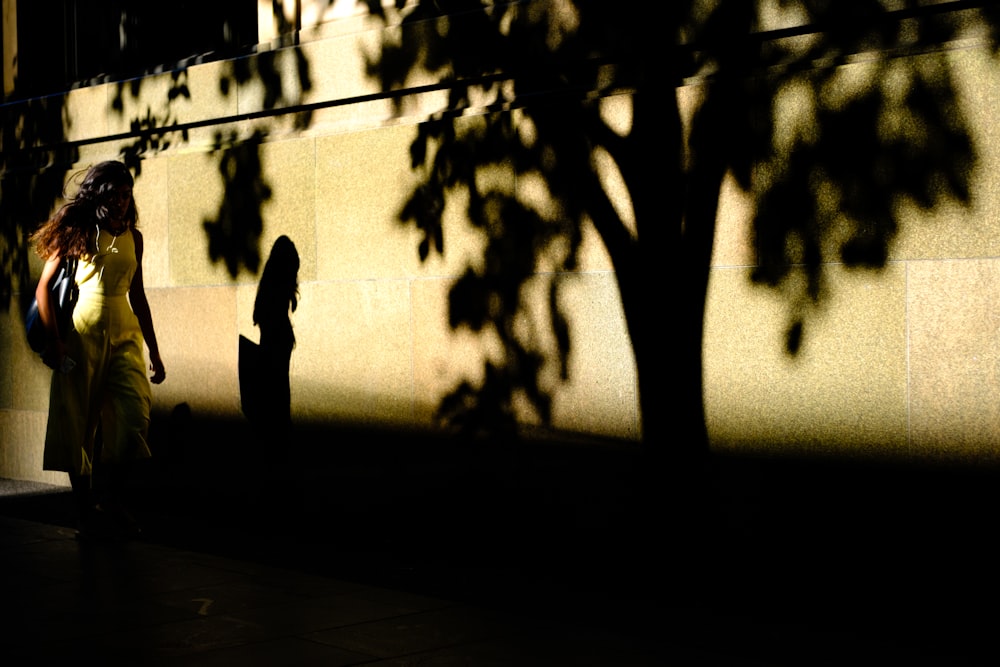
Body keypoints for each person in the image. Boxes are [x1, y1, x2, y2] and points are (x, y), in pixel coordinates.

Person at [30, 160, 165, 538]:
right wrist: (55, 341)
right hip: (82, 332)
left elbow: (138, 294)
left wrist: (154, 349)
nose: (123, 201)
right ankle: (84, 514)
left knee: (136, 416)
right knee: (79, 423)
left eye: (127, 195)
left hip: (125, 333)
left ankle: (112, 498)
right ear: (101, 195)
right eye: (116, 194)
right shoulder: (79, 231)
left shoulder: (134, 238)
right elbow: (44, 287)